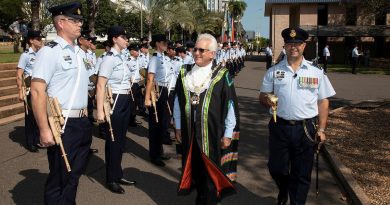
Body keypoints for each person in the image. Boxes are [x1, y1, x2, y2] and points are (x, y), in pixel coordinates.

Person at [259, 28, 336, 205]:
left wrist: (322, 129)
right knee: (276, 168)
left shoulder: (315, 71)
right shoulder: (274, 70)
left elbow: (323, 102)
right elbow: (262, 96)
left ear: (304, 45)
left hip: (305, 129)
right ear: (284, 46)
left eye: (297, 44)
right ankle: (283, 188)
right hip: (280, 126)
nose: (293, 47)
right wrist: (267, 99)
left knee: (302, 173)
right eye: (290, 43)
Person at [30, 2, 92, 204]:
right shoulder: (49, 52)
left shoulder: (80, 53)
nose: (80, 24)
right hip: (62, 123)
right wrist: (44, 129)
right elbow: (38, 91)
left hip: (82, 122)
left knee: (74, 176)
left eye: (80, 20)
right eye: (75, 20)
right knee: (59, 177)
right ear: (61, 23)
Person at [174, 33, 240, 205]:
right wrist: (178, 127)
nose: (196, 53)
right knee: (195, 171)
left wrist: (228, 133)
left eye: (201, 50)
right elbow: (177, 101)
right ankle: (202, 197)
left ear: (212, 53)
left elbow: (230, 106)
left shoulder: (222, 74)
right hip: (190, 133)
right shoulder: (184, 72)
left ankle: (208, 198)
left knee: (211, 174)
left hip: (212, 134)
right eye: (195, 49)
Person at [95, 25, 136, 194]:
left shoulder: (121, 57)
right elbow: (100, 85)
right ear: (114, 39)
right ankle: (111, 178)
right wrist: (99, 111)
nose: (127, 40)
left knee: (120, 140)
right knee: (113, 140)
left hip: (125, 98)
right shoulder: (109, 58)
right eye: (123, 37)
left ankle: (118, 174)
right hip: (115, 100)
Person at [144, 34, 174, 167]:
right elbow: (150, 79)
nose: (166, 44)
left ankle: (159, 151)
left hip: (164, 90)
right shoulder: (154, 59)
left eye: (166, 42)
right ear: (157, 44)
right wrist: (147, 98)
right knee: (155, 124)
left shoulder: (165, 58)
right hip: (156, 91)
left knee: (162, 123)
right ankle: (154, 154)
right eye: (163, 42)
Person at [16, 30, 43, 152]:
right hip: (29, 89)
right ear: (31, 40)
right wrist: (20, 91)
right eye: (38, 39)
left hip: (40, 89)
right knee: (30, 117)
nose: (40, 41)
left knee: (39, 115)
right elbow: (19, 74)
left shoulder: (41, 54)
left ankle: (38, 139)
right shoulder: (25, 55)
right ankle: (30, 141)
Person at [126, 43, 143, 127]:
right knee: (131, 103)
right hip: (131, 84)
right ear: (131, 52)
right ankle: (130, 120)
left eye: (138, 51)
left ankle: (133, 118)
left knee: (136, 102)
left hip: (138, 83)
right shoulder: (128, 61)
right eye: (136, 51)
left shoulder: (137, 60)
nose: (138, 52)